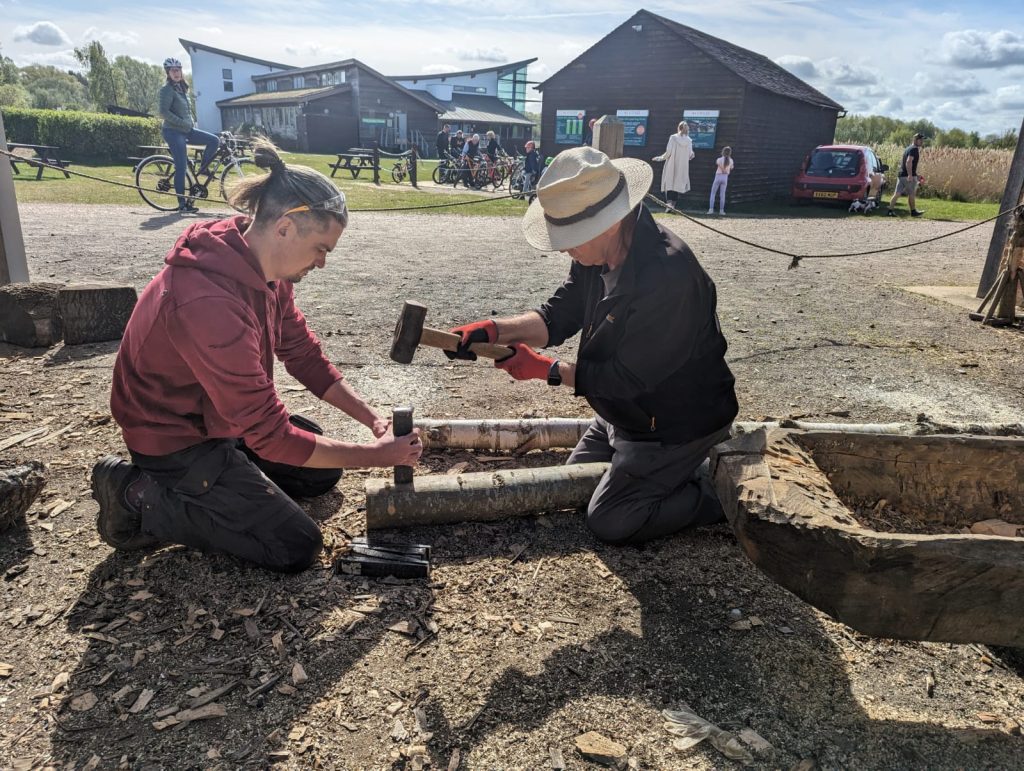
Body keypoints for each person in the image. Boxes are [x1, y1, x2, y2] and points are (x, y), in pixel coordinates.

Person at [91, 141, 423, 572]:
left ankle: (228, 475)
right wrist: (378, 455)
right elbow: (271, 435)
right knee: (294, 545)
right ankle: (136, 493)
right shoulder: (206, 301)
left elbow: (302, 355)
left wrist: (371, 419)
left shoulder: (264, 268)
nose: (322, 263)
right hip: (174, 440)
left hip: (219, 420)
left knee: (321, 474)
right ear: (285, 227)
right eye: (321, 248)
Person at [447, 146, 738, 544]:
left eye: (570, 238)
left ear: (610, 222)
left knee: (611, 519)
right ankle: (657, 471)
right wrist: (495, 331)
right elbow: (559, 315)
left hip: (674, 422)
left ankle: (718, 490)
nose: (565, 248)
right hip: (621, 414)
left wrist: (547, 370)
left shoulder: (669, 277)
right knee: (573, 483)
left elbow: (627, 379)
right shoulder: (597, 252)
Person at [158, 57, 221, 214]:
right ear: (168, 73)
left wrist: (190, 122)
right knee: (181, 167)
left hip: (187, 130)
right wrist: (181, 122)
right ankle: (182, 204)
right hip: (173, 132)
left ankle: (204, 168)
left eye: (178, 70)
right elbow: (163, 112)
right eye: (173, 70)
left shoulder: (182, 88)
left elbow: (185, 112)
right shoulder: (166, 90)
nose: (176, 73)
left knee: (214, 140)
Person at [653, 121, 695, 211]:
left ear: (678, 128)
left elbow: (668, 152)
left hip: (672, 164)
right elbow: (690, 155)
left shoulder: (673, 138)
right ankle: (673, 207)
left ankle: (669, 206)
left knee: (669, 183)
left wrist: (659, 158)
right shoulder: (689, 140)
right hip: (682, 166)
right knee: (676, 185)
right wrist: (691, 155)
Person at [887, 133, 925, 217]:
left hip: (901, 174)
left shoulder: (908, 148)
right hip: (907, 176)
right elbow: (908, 161)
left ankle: (890, 210)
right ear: (915, 140)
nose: (922, 141)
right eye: (920, 140)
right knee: (911, 193)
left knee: (897, 194)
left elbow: (905, 164)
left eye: (922, 140)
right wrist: (910, 175)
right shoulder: (914, 149)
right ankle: (913, 212)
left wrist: (916, 175)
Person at [708, 146, 733, 215]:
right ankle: (721, 211)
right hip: (725, 177)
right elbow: (731, 168)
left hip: (718, 176)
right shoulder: (731, 160)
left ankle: (711, 209)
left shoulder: (719, 159)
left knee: (713, 193)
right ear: (730, 153)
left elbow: (718, 164)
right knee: (722, 195)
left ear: (723, 152)